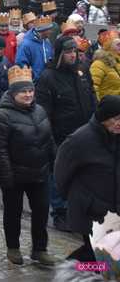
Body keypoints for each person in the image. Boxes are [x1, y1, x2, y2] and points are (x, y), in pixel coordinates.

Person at [0, 66, 57, 266]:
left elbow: (49, 140)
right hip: (15, 175)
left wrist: (54, 162)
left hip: (40, 173)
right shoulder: (3, 116)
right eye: (23, 91)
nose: (28, 95)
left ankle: (39, 249)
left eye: (30, 91)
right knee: (13, 213)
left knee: (41, 212)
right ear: (13, 94)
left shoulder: (40, 110)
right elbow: (0, 150)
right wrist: (6, 176)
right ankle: (13, 247)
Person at [36, 35, 96, 232]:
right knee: (58, 175)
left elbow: (92, 97)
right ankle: (60, 212)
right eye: (69, 52)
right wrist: (50, 139)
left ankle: (79, 211)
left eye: (75, 51)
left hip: (85, 132)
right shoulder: (48, 77)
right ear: (60, 54)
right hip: (61, 135)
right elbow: (43, 112)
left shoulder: (83, 70)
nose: (73, 55)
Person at [55, 95, 120, 262]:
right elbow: (61, 173)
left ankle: (74, 271)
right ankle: (72, 270)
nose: (119, 123)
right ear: (103, 118)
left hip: (113, 210)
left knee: (104, 254)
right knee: (96, 255)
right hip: (90, 212)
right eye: (116, 118)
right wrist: (76, 198)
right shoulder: (80, 140)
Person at [15, 15, 53, 81]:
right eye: (49, 29)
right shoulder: (26, 44)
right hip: (34, 83)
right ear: (43, 30)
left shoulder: (47, 42)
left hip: (47, 82)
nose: (51, 32)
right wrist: (32, 77)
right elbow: (21, 63)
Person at [90, 31, 120, 101]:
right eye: (118, 45)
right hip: (107, 108)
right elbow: (93, 87)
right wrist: (97, 105)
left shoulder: (118, 61)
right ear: (109, 46)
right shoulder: (99, 64)